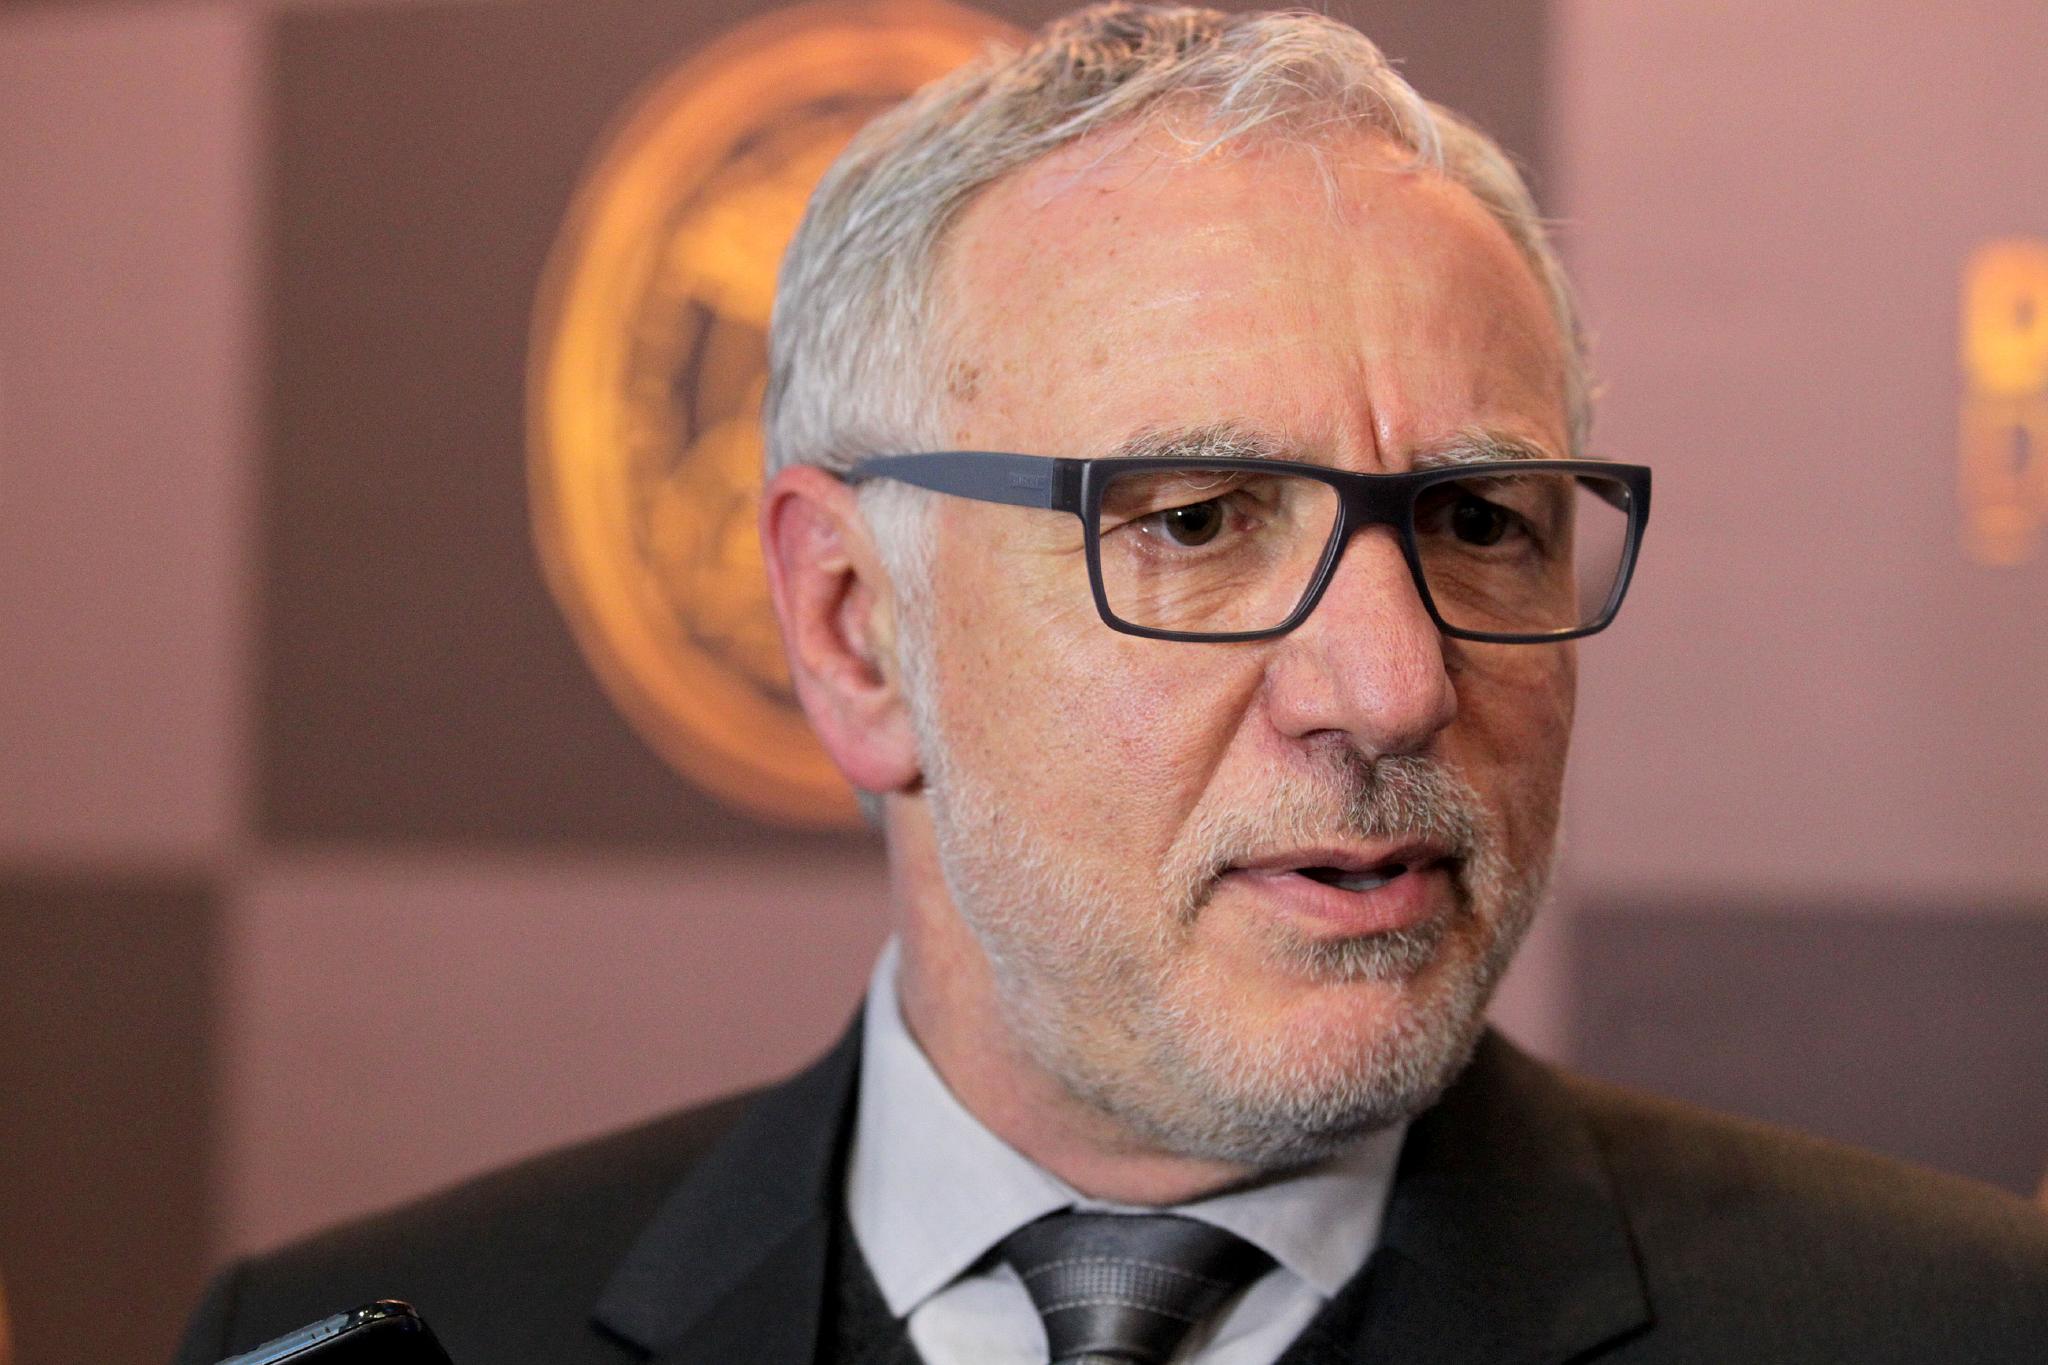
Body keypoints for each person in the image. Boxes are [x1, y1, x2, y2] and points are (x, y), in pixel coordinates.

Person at [174, 5, 2048, 1362]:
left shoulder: (1959, 1328)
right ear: (852, 625)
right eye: (1199, 521)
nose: (1394, 682)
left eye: (1480, 519)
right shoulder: (386, 1333)